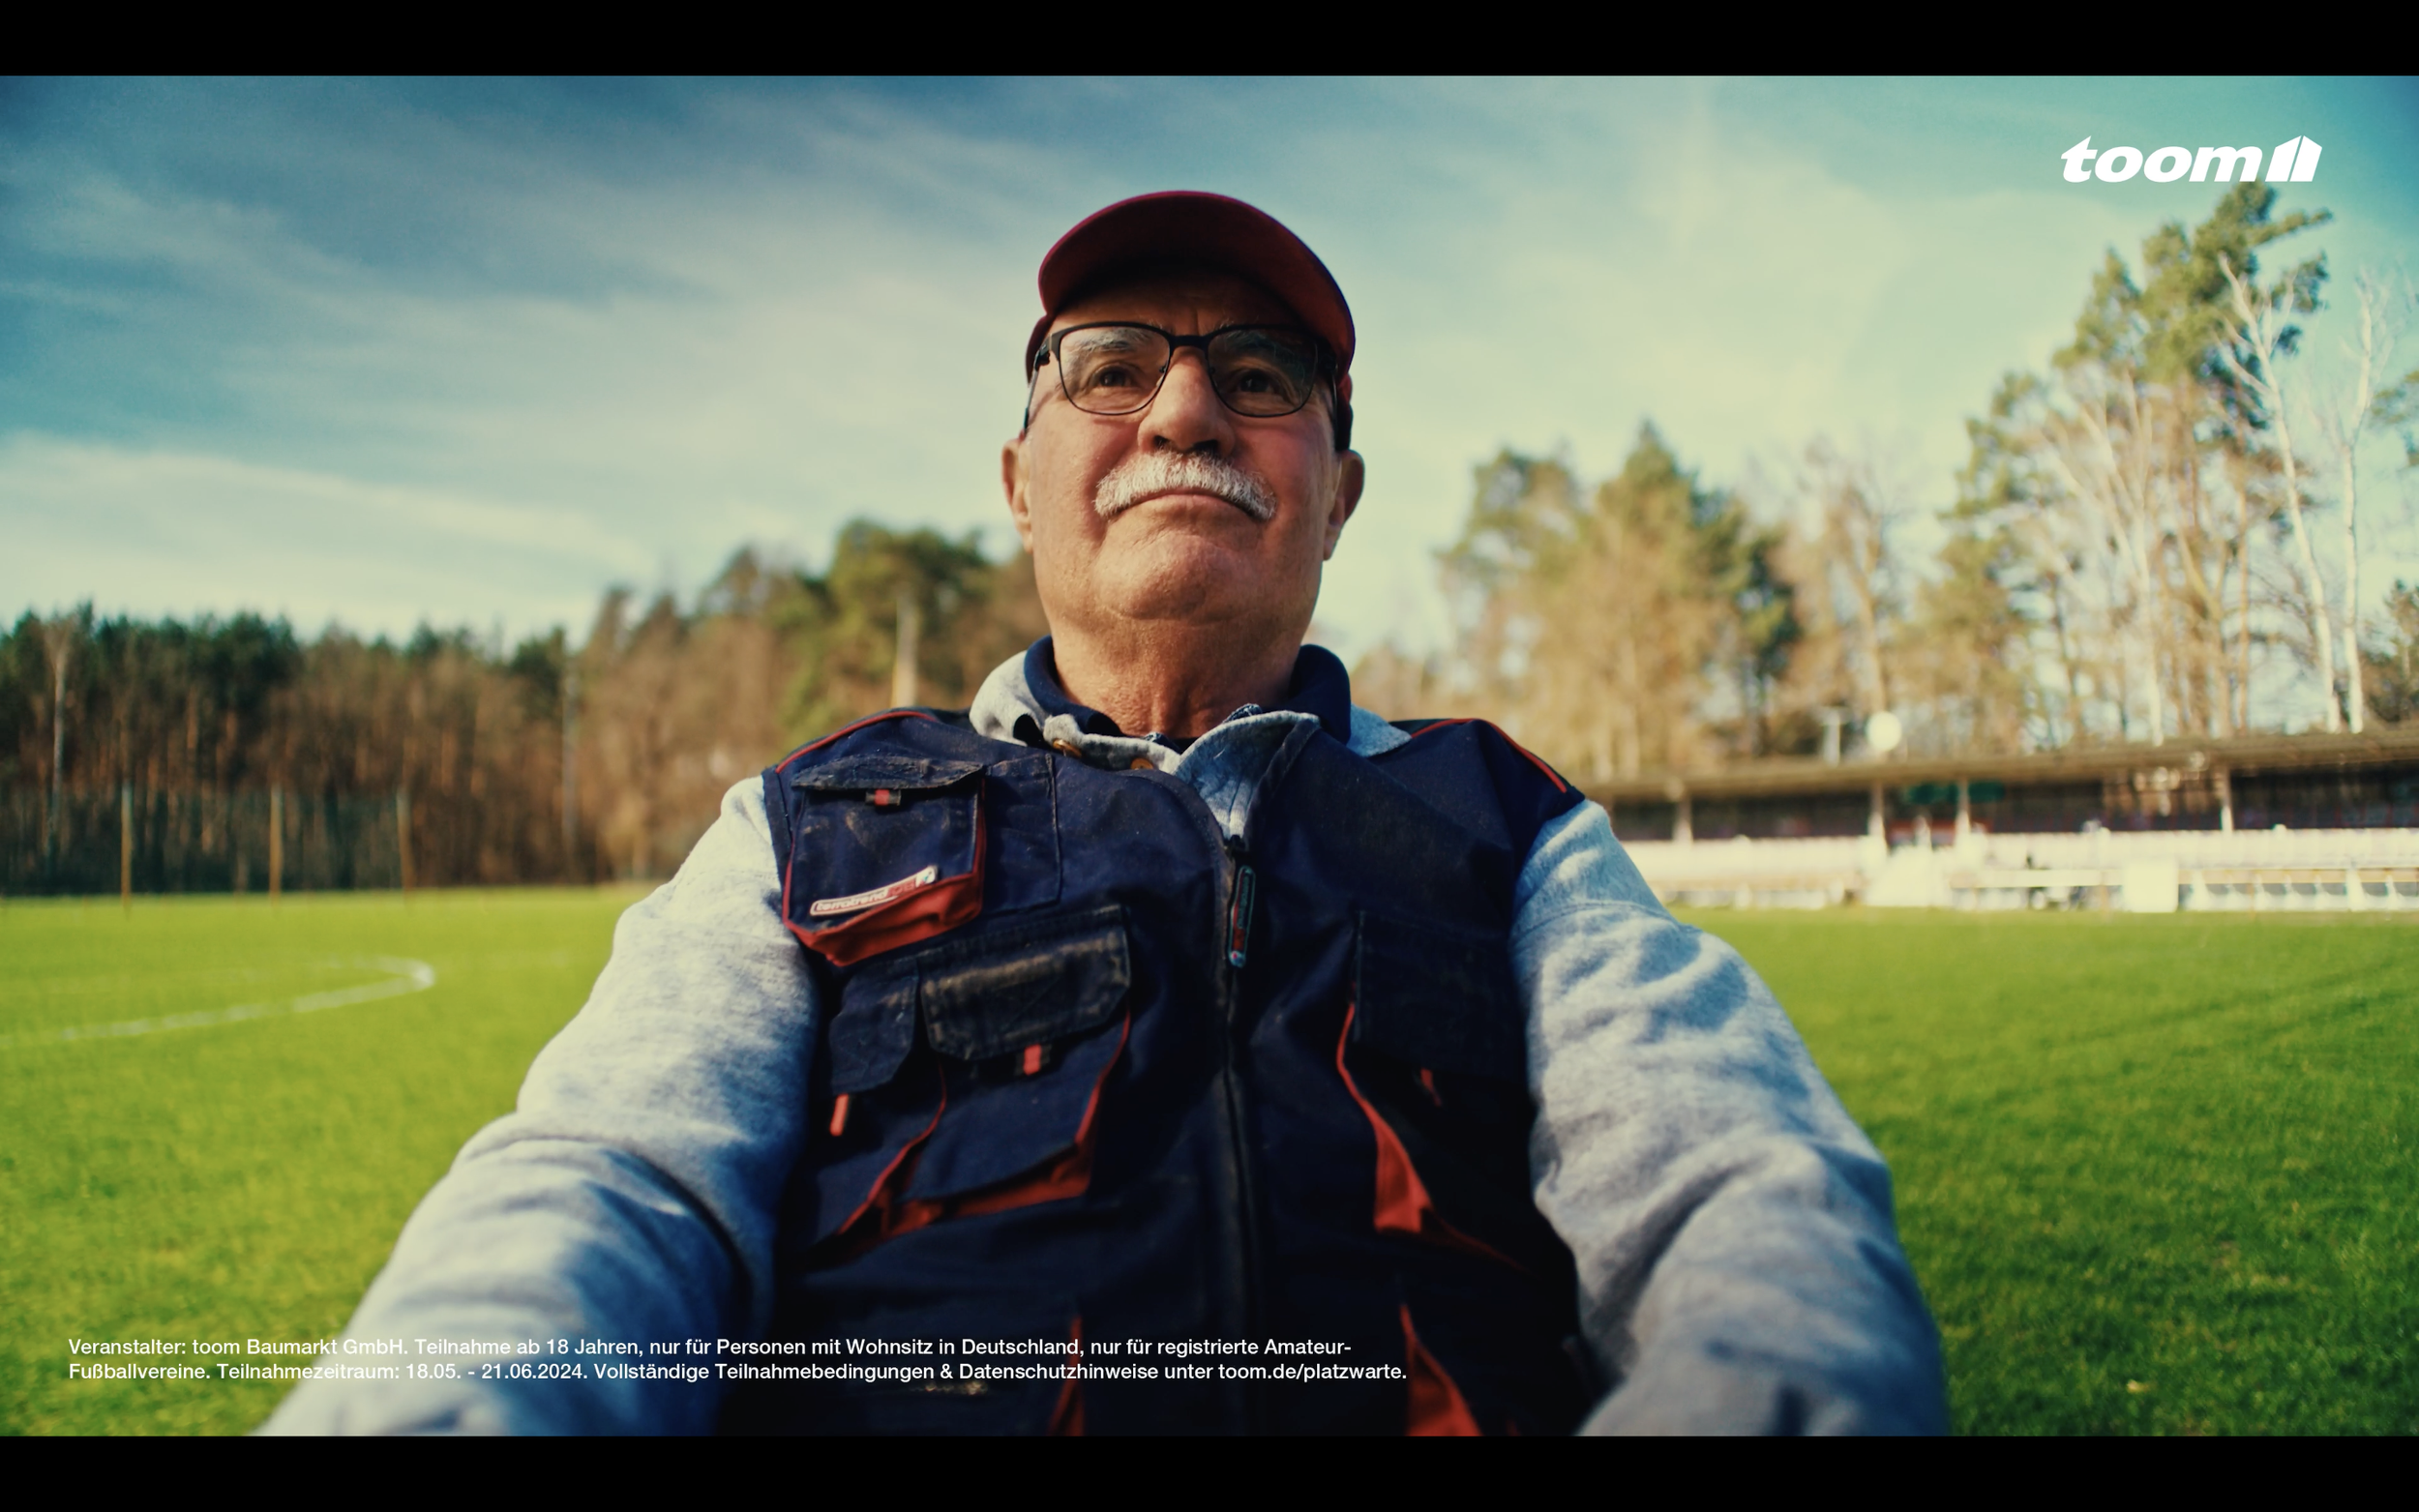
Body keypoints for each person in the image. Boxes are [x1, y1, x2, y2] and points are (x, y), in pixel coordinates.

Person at [268, 193, 1944, 1436]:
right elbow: (610, 1188)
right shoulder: (808, 825)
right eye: (1111, 367)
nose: (1183, 410)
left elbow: (1737, 1188)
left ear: (1338, 494)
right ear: (1019, 478)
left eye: (1261, 376)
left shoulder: (1509, 822)